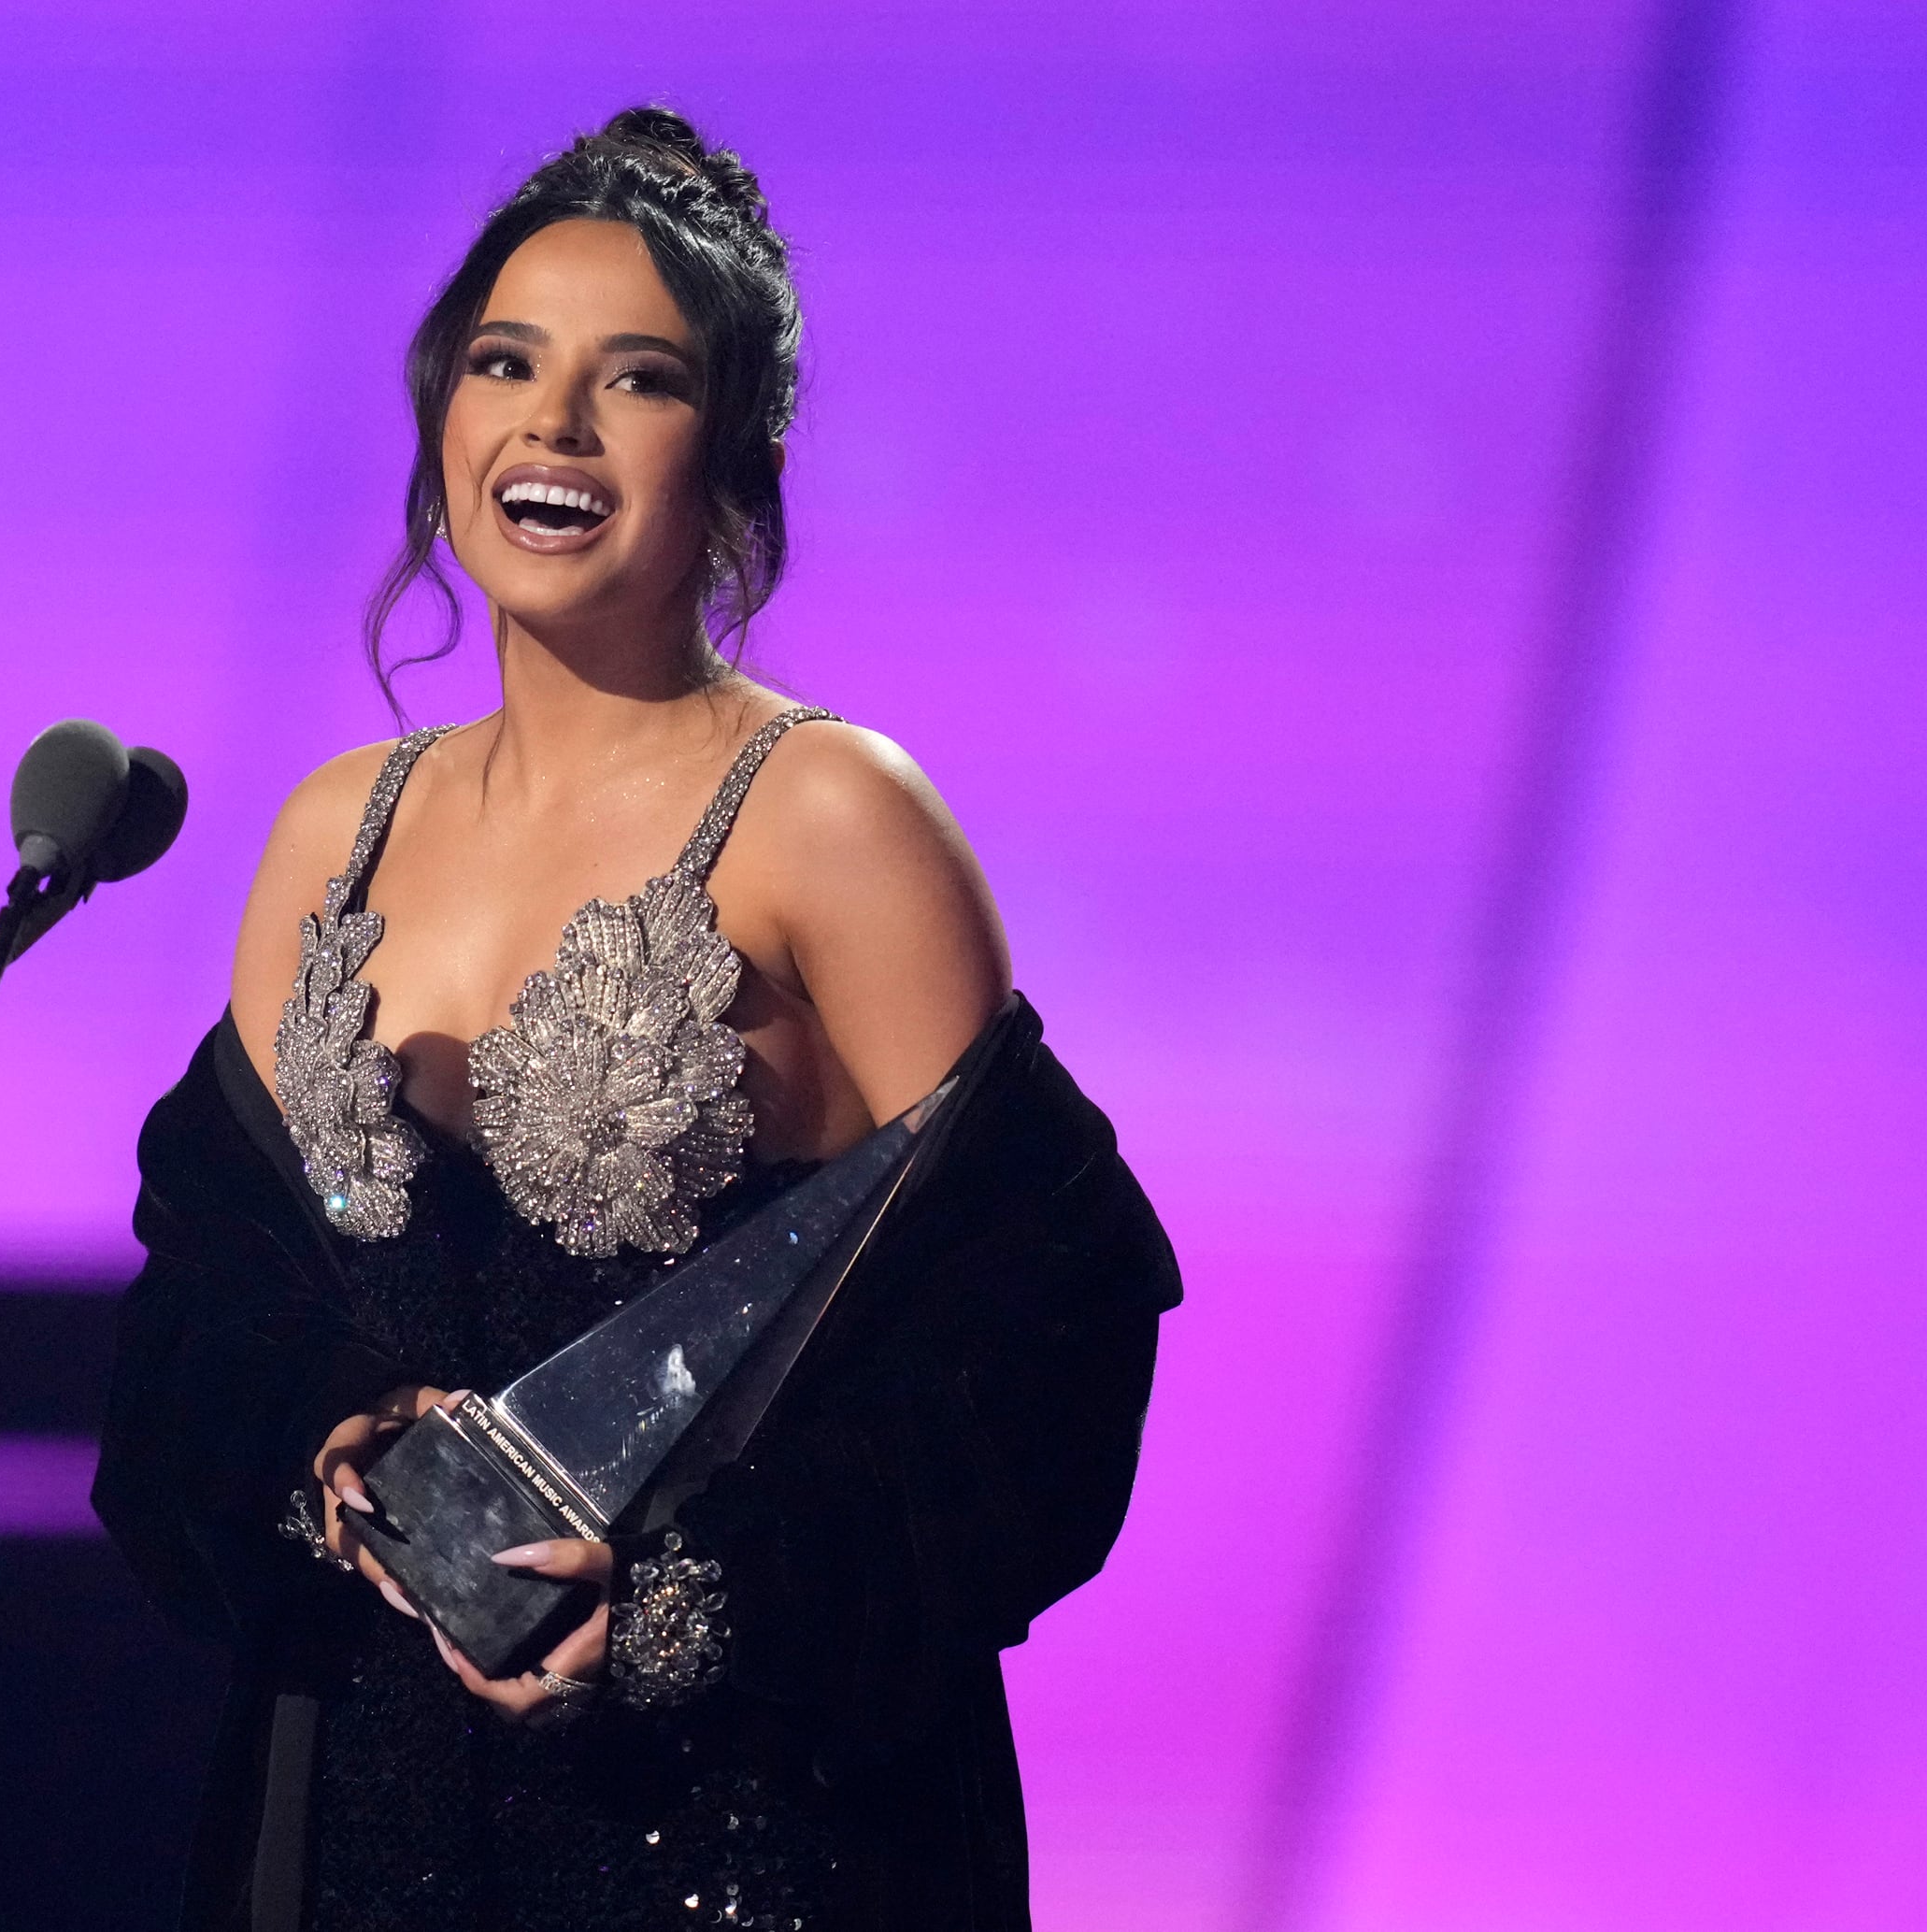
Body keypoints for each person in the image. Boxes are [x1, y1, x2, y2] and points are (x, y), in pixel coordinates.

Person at [93, 107, 1180, 1932]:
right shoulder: (329, 831)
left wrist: (682, 1597)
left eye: (638, 379)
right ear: (442, 418)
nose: (554, 424)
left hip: (732, 1833)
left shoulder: (834, 817)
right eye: (509, 362)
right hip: (357, 1814)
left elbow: (1043, 1344)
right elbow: (204, 1316)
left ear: (734, 460)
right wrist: (343, 1445)